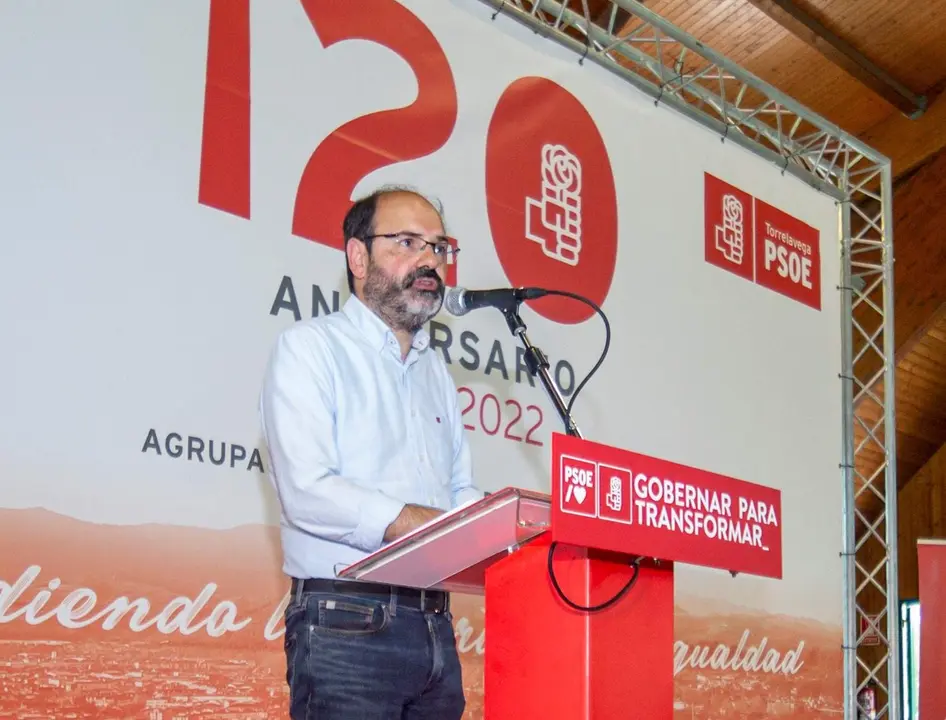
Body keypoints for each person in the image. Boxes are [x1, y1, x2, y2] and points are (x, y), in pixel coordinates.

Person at [259, 185, 484, 719]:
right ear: (358, 257)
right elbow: (307, 490)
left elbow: (460, 489)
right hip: (347, 622)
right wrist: (428, 524)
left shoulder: (436, 374)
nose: (429, 259)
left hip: (434, 623)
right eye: (407, 242)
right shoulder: (310, 349)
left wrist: (500, 528)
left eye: (438, 246)